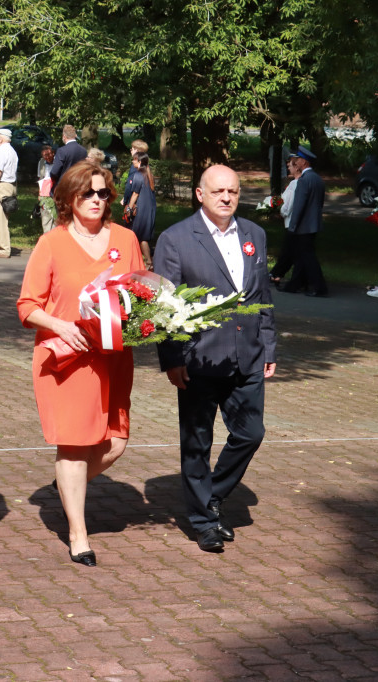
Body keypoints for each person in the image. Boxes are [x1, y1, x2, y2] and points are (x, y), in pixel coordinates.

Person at [17, 160, 143, 566]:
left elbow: (141, 294)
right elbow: (27, 305)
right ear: (69, 198)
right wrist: (59, 325)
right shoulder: (51, 242)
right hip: (67, 358)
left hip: (114, 357)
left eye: (103, 193)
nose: (96, 200)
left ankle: (66, 485)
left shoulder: (126, 238)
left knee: (115, 442)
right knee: (74, 444)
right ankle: (78, 534)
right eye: (87, 193)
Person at [152, 164, 277, 552]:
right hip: (199, 359)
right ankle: (203, 521)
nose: (227, 197)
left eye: (234, 191)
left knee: (250, 433)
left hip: (248, 356)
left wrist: (269, 345)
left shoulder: (254, 235)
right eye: (219, 191)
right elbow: (164, 306)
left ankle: (212, 496)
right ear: (200, 194)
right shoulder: (175, 239)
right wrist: (172, 358)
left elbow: (263, 297)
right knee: (196, 443)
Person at [279, 146, 328, 297]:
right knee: (302, 257)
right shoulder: (317, 179)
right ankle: (297, 284)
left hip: (303, 226)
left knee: (308, 258)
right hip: (313, 225)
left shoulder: (304, 180)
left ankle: (319, 287)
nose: (297, 162)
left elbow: (299, 206)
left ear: (304, 162)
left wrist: (293, 226)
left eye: (299, 159)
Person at [269, 155, 301, 287]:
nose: (288, 167)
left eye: (290, 165)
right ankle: (277, 273)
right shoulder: (296, 183)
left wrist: (280, 211)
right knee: (290, 251)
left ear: (296, 167)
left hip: (291, 221)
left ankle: (275, 274)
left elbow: (288, 205)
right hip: (295, 222)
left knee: (287, 250)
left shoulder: (295, 184)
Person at [125, 153, 157, 268]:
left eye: (134, 160)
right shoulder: (148, 174)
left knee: (135, 234)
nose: (132, 162)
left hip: (141, 209)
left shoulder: (138, 175)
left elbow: (135, 194)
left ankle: (143, 261)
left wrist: (129, 207)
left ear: (139, 162)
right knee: (143, 236)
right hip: (149, 208)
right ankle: (148, 261)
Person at [0, 128, 17, 258]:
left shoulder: (1, 152)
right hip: (10, 185)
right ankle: (3, 247)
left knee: (0, 219)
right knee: (3, 218)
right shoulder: (12, 151)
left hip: (1, 185)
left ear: (1, 138)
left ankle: (3, 249)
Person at [49, 125, 88, 192]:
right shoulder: (84, 151)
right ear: (75, 136)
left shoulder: (62, 151)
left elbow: (55, 172)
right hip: (79, 185)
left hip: (64, 186)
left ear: (64, 136)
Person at [37, 145, 56, 233]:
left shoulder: (58, 162)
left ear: (53, 153)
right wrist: (39, 193)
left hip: (56, 192)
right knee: (46, 219)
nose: (47, 157)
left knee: (56, 219)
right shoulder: (41, 162)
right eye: (44, 155)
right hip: (45, 193)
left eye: (48, 154)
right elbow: (40, 178)